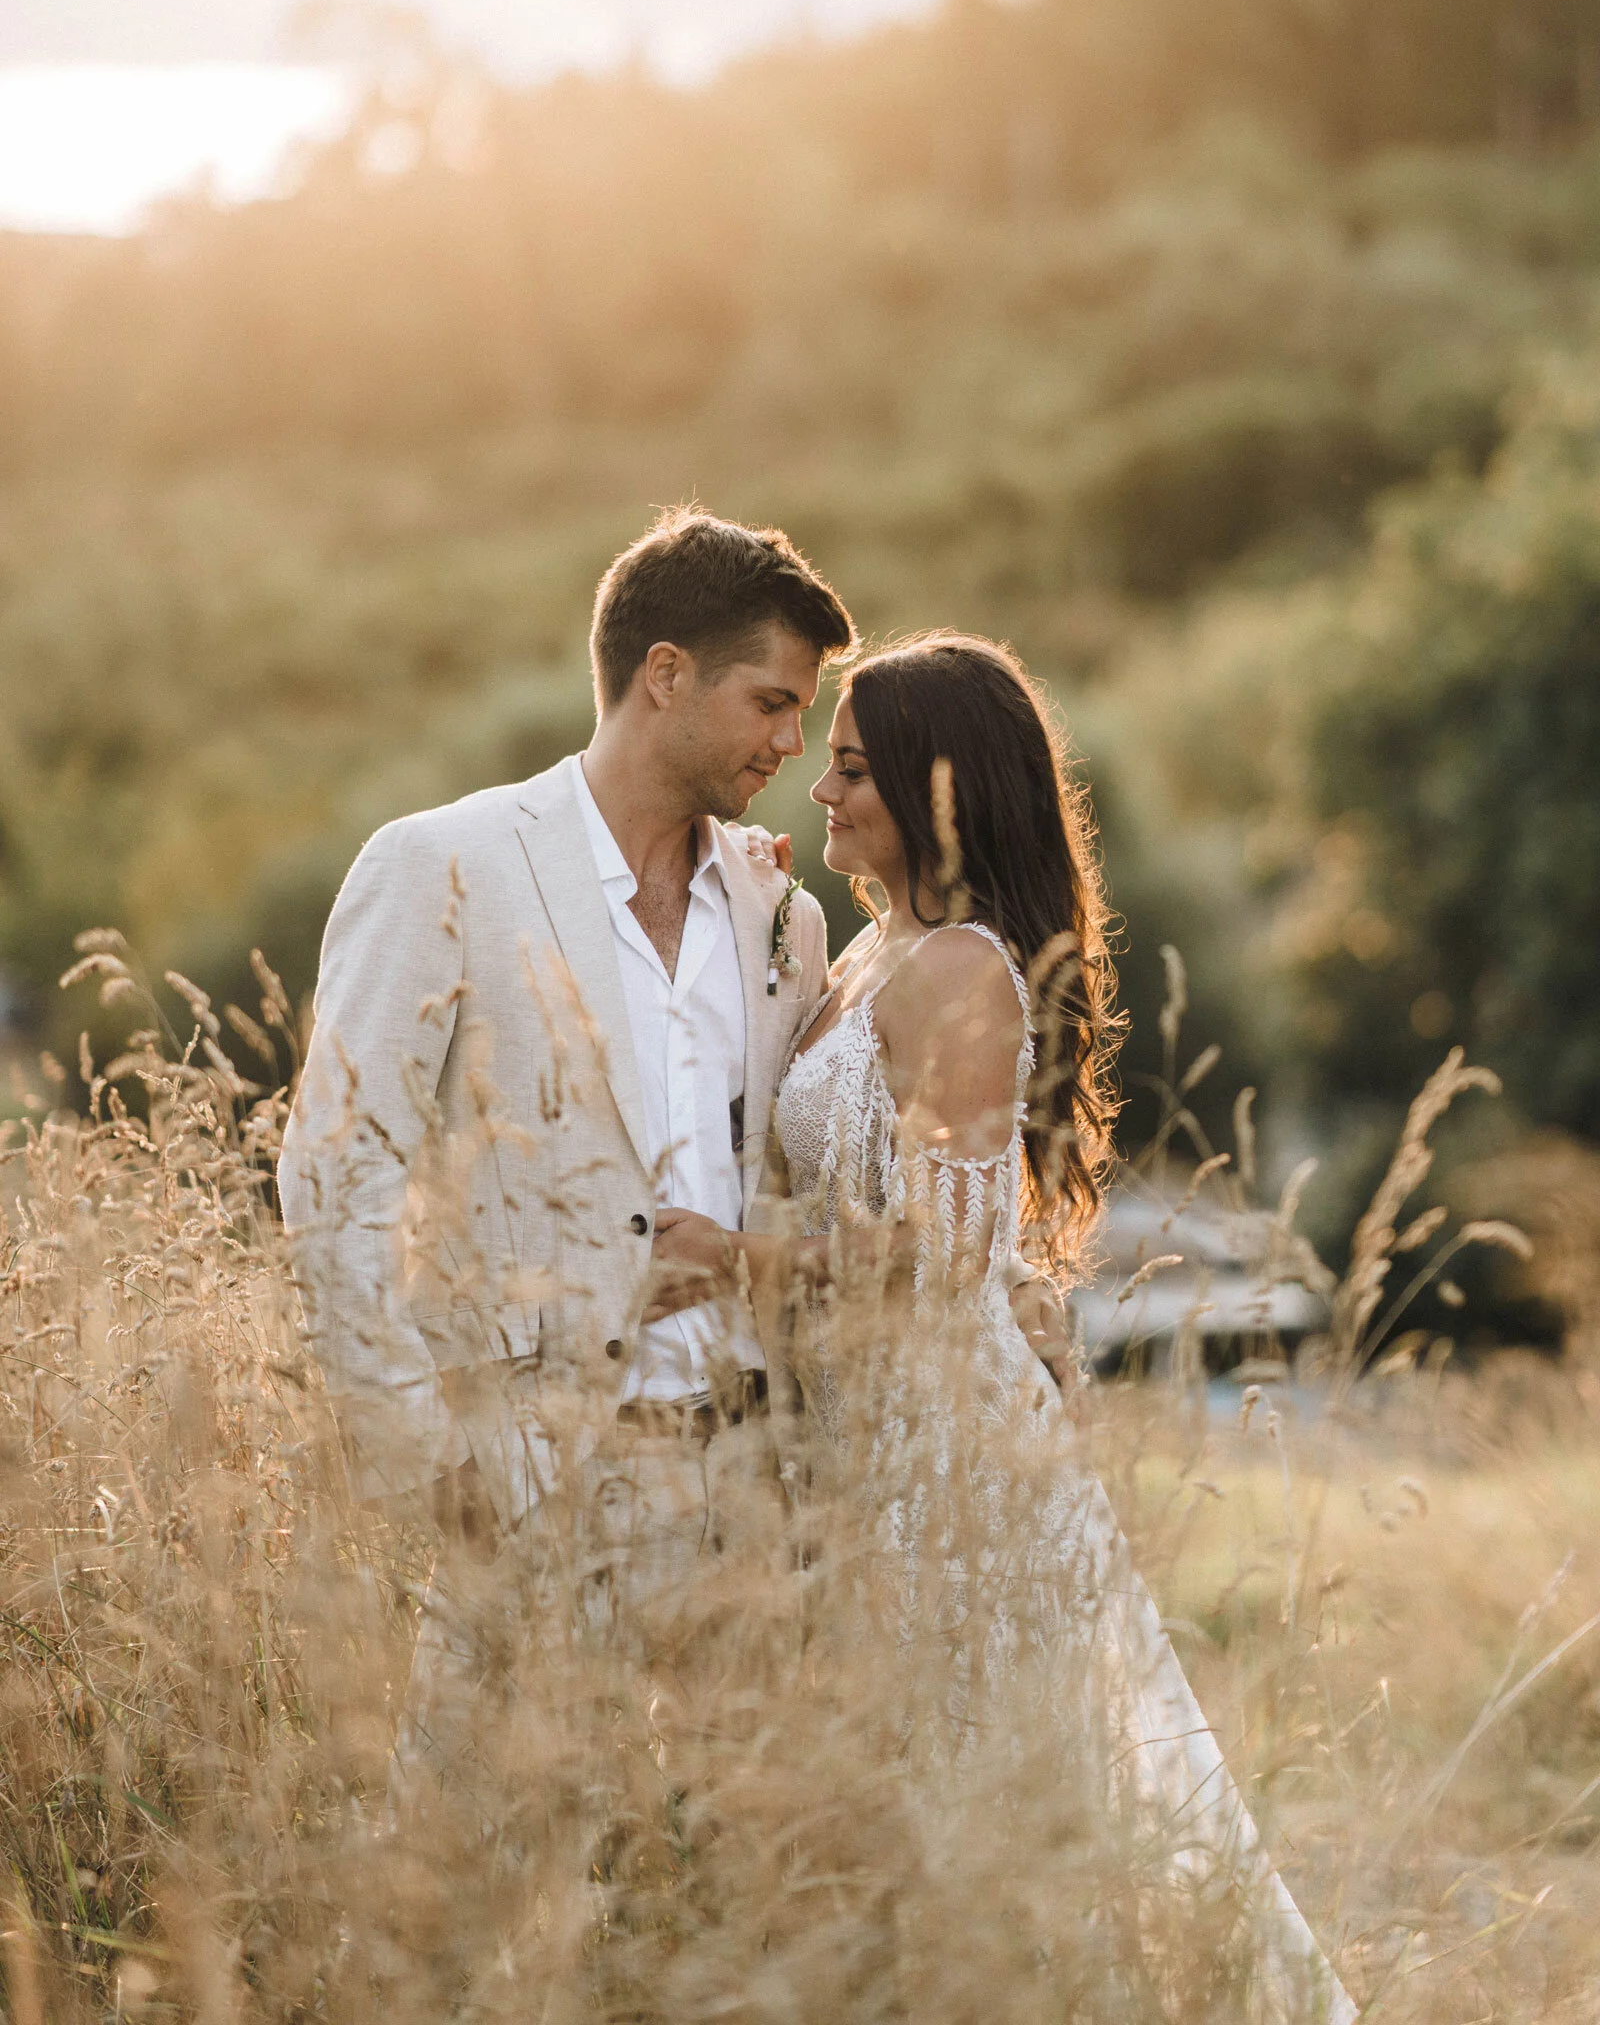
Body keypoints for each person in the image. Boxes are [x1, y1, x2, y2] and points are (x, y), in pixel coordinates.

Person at [278, 512, 1068, 1769]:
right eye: (771, 703)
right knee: (492, 1842)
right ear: (664, 675)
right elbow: (334, 1175)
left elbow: (852, 1151)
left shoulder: (782, 913)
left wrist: (997, 1284)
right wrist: (425, 1462)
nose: (792, 745)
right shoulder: (442, 867)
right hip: (531, 1476)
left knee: (737, 1859)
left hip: (758, 1490)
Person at [643, 632, 1356, 2024]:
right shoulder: (872, 954)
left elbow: (946, 1262)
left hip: (945, 1453)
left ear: (939, 792)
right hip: (857, 1436)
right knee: (890, 1812)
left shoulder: (961, 973)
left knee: (972, 1804)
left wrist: (729, 1261)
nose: (820, 792)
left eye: (851, 770)